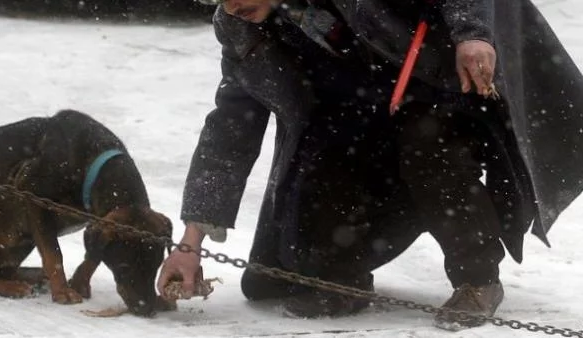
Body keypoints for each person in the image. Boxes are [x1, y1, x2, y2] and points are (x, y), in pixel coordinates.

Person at [157, 0, 583, 330]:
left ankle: (477, 279)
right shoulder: (239, 25)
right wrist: (191, 243)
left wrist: (473, 33)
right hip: (352, 123)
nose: (229, 6)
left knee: (428, 141)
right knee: (275, 277)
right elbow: (231, 127)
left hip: (433, 93)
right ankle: (342, 280)